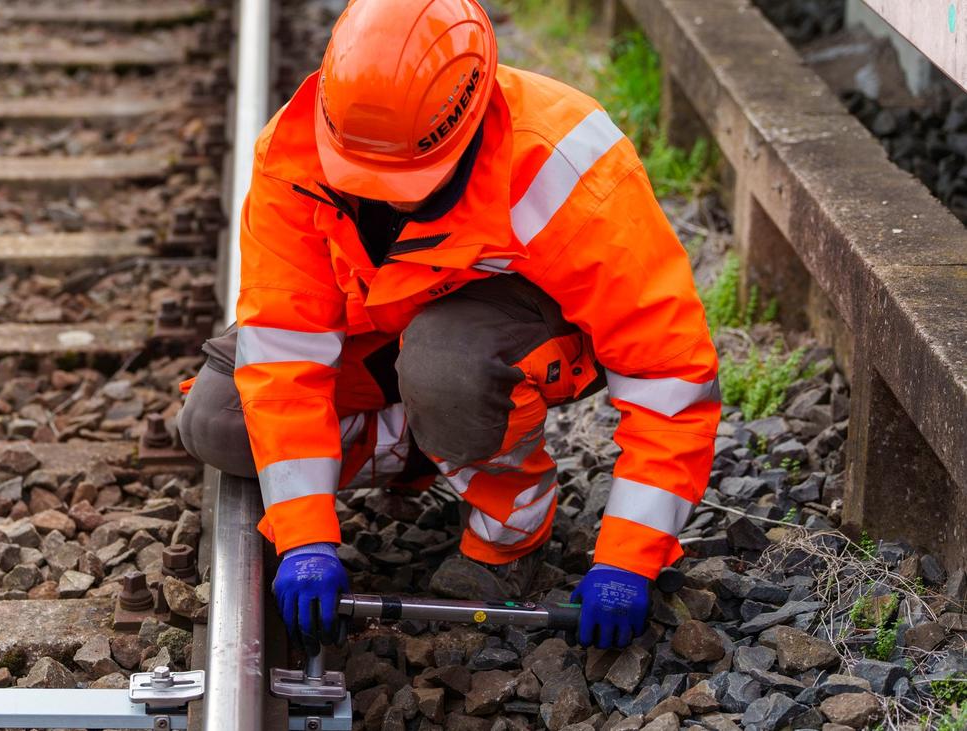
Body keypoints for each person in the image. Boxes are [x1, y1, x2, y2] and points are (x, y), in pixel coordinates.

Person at [177, 0, 719, 653]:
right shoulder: (294, 155)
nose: (378, 196)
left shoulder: (563, 163)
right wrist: (305, 535)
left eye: (402, 183)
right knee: (218, 418)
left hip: (496, 346)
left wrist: (631, 559)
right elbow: (283, 349)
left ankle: (510, 527)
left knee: (445, 363)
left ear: (469, 125)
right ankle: (430, 443)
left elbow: (668, 376)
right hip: (382, 333)